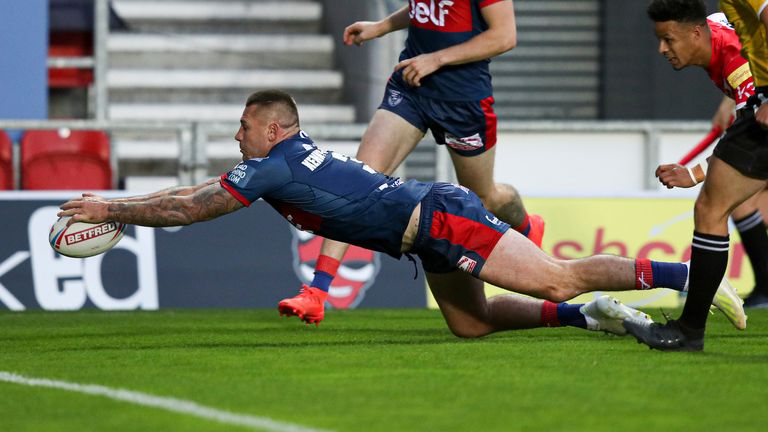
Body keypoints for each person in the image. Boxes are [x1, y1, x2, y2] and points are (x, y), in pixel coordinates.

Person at [58, 90, 745, 340]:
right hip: (421, 228)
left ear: (273, 129)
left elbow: (190, 209)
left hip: (439, 218)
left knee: (558, 276)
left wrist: (108, 207)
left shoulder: (272, 163)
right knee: (472, 324)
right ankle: (594, 316)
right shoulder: (281, 159)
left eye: (244, 126)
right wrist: (117, 206)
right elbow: (188, 194)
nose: (237, 136)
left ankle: (692, 279)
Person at [278, 0, 545, 323]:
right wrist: (381, 27)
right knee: (356, 185)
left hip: (463, 100)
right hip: (410, 89)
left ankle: (528, 225)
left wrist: (436, 59)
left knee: (485, 196)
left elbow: (504, 36)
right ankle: (317, 292)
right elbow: (424, 10)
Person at [625, 0, 768, 350]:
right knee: (719, 205)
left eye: (668, 40)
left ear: (695, 34)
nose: (662, 49)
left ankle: (690, 330)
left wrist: (695, 172)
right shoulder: (715, 27)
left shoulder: (734, 61)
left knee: (713, 208)